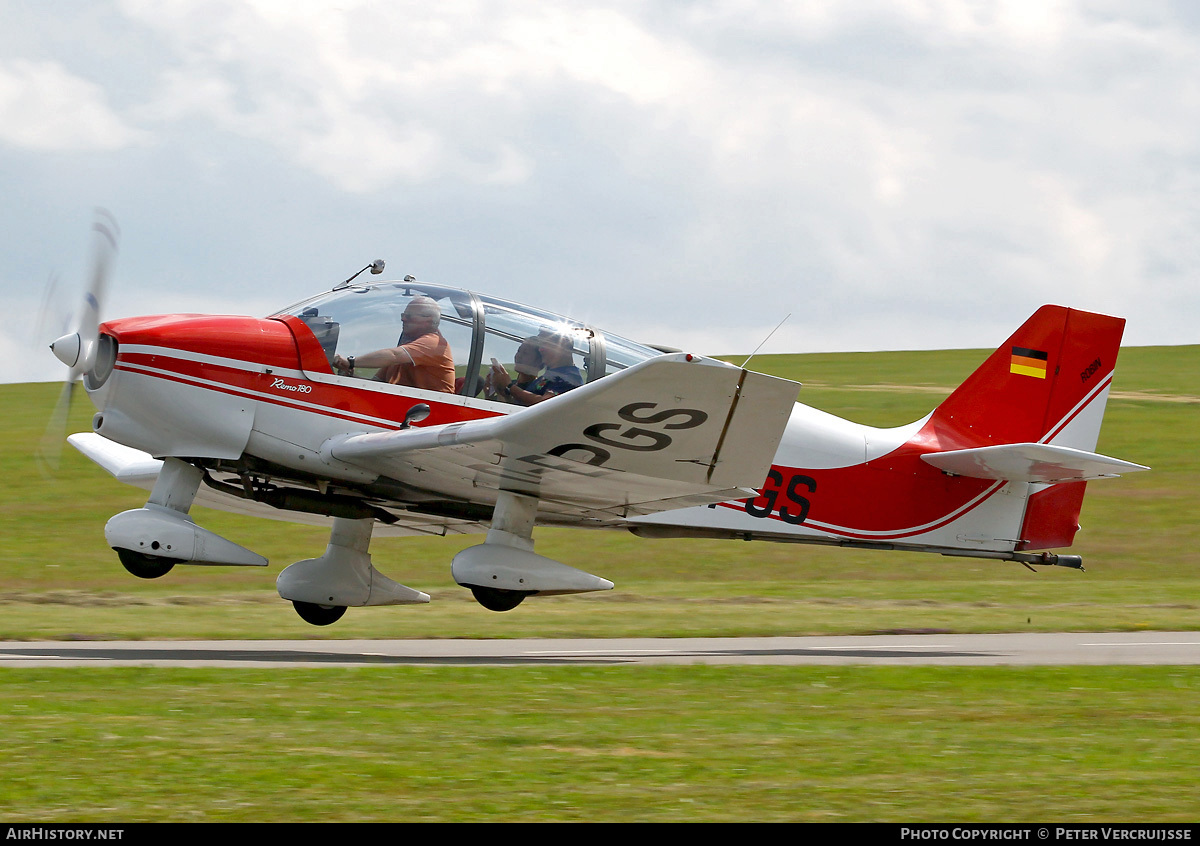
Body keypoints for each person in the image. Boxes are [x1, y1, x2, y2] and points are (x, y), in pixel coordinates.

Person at [332, 296, 455, 393]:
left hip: (431, 415)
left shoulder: (433, 343)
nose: (403, 319)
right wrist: (349, 376)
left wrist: (351, 362)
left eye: (409, 316)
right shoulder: (407, 349)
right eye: (403, 315)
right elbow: (378, 385)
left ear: (428, 320)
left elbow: (393, 355)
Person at [490, 331, 582, 405]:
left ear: (563, 346)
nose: (540, 349)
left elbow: (545, 404)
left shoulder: (570, 377)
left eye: (546, 344)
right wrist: (502, 391)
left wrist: (509, 386)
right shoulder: (553, 374)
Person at [485, 337, 543, 403]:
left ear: (538, 362)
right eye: (518, 351)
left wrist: (505, 388)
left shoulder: (537, 390)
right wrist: (489, 395)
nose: (518, 356)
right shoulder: (511, 383)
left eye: (525, 353)